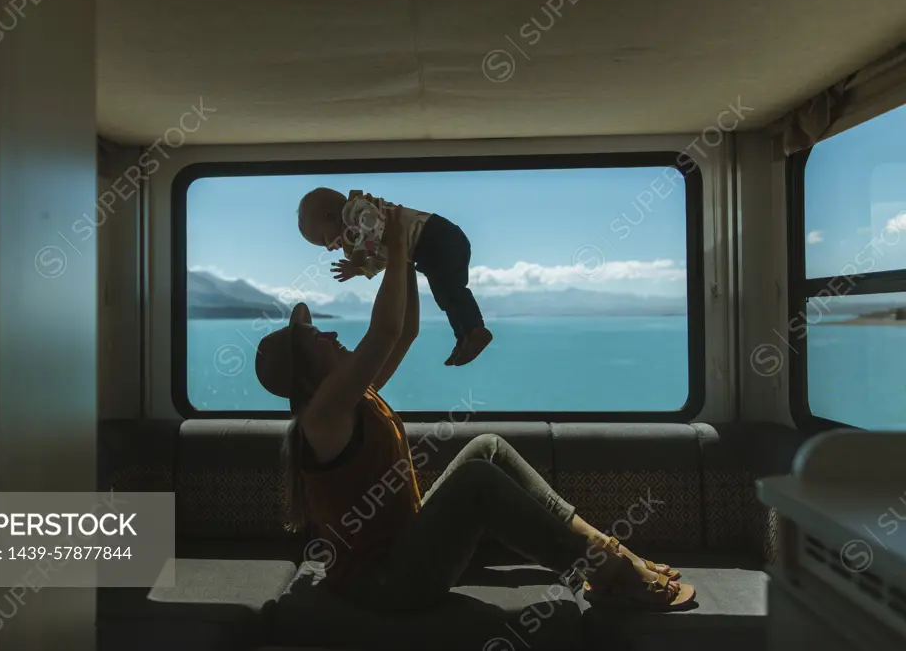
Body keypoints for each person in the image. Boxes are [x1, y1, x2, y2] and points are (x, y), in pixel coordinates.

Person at [255, 205, 695, 612]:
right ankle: (606, 572)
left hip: (406, 544)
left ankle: (603, 546)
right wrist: (398, 241)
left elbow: (404, 332)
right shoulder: (322, 416)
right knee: (477, 481)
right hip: (387, 581)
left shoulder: (350, 398)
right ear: (307, 374)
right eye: (316, 339)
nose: (329, 336)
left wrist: (402, 258)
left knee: (488, 447)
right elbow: (384, 331)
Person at [297, 186, 492, 366]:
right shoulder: (358, 234)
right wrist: (361, 268)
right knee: (444, 294)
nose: (331, 248)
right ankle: (465, 337)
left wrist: (360, 255)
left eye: (325, 240)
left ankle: (475, 330)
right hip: (428, 249)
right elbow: (385, 256)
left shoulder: (356, 209)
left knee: (451, 289)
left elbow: (373, 222)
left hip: (438, 237)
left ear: (330, 217)